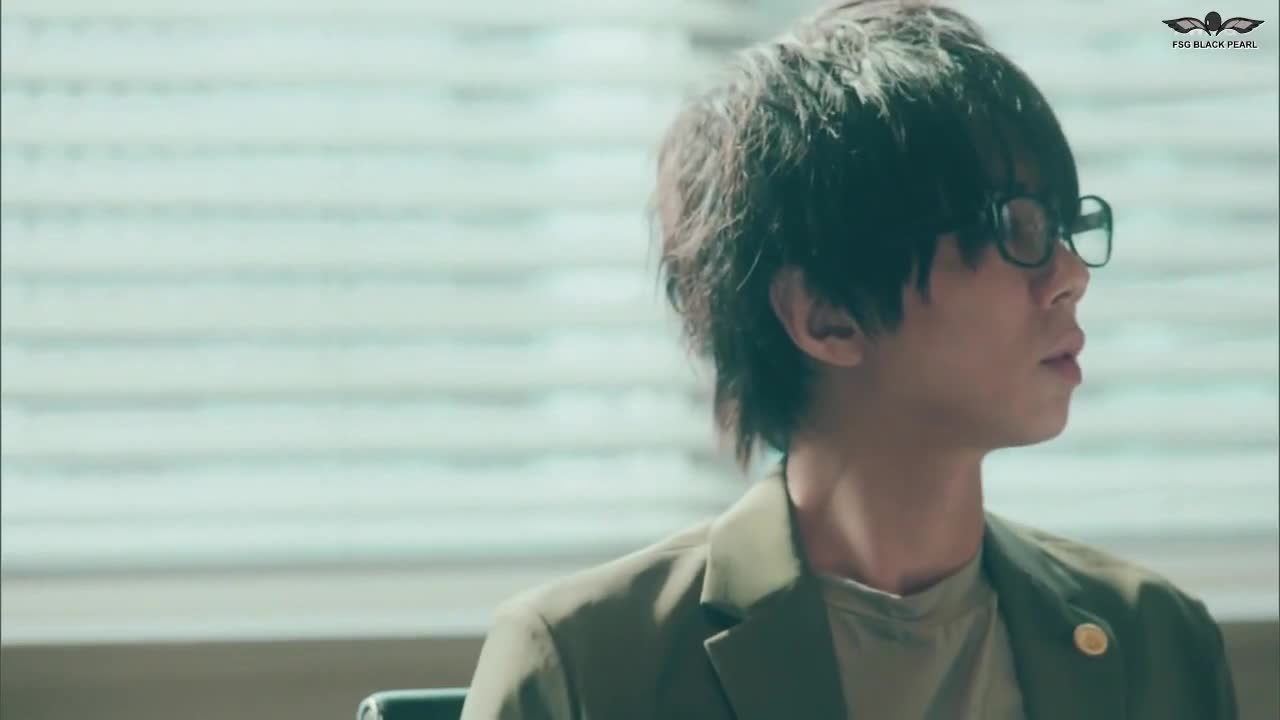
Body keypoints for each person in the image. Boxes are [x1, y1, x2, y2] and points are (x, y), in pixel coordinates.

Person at [459, 1, 1239, 717]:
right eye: (1014, 227)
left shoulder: (1155, 640)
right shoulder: (587, 666)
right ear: (825, 315)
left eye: (1064, 228)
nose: (1070, 275)